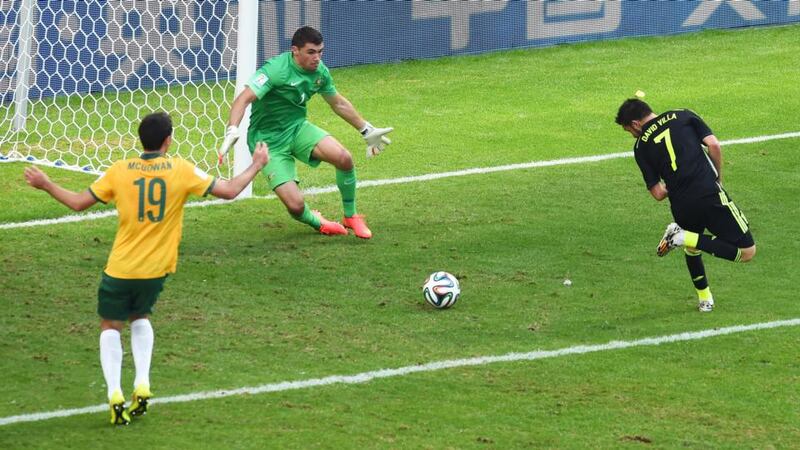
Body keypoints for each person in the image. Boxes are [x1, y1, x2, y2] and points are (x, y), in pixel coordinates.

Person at [23, 112, 269, 425]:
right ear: (169, 140)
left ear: (142, 139)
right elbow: (231, 190)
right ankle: (142, 382)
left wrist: (46, 184)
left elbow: (77, 202)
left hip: (120, 269)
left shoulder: (120, 171)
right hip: (155, 271)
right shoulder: (181, 170)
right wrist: (257, 164)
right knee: (141, 316)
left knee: (111, 325)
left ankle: (114, 392)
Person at [218, 26, 393, 239]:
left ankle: (351, 216)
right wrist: (233, 129)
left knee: (344, 158)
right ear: (295, 51)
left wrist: (365, 129)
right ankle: (317, 221)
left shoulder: (320, 72)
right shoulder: (275, 70)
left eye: (320, 52)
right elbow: (243, 99)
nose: (317, 58)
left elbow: (338, 103)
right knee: (295, 206)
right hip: (267, 142)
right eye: (311, 52)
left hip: (297, 128)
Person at [615, 97, 756, 312]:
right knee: (747, 252)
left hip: (681, 203)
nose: (633, 135)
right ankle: (679, 236)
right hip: (708, 194)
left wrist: (676, 183)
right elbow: (713, 145)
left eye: (629, 131)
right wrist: (717, 177)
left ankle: (704, 298)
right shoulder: (683, 114)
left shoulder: (640, 147)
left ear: (635, 124)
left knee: (693, 247)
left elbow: (659, 193)